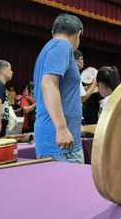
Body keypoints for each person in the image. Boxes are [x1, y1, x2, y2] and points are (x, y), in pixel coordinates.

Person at [33, 13, 84, 163]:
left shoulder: (48, 49)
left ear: (53, 32)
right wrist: (62, 129)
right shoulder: (63, 46)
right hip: (61, 144)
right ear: (78, 34)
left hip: (55, 140)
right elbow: (48, 84)